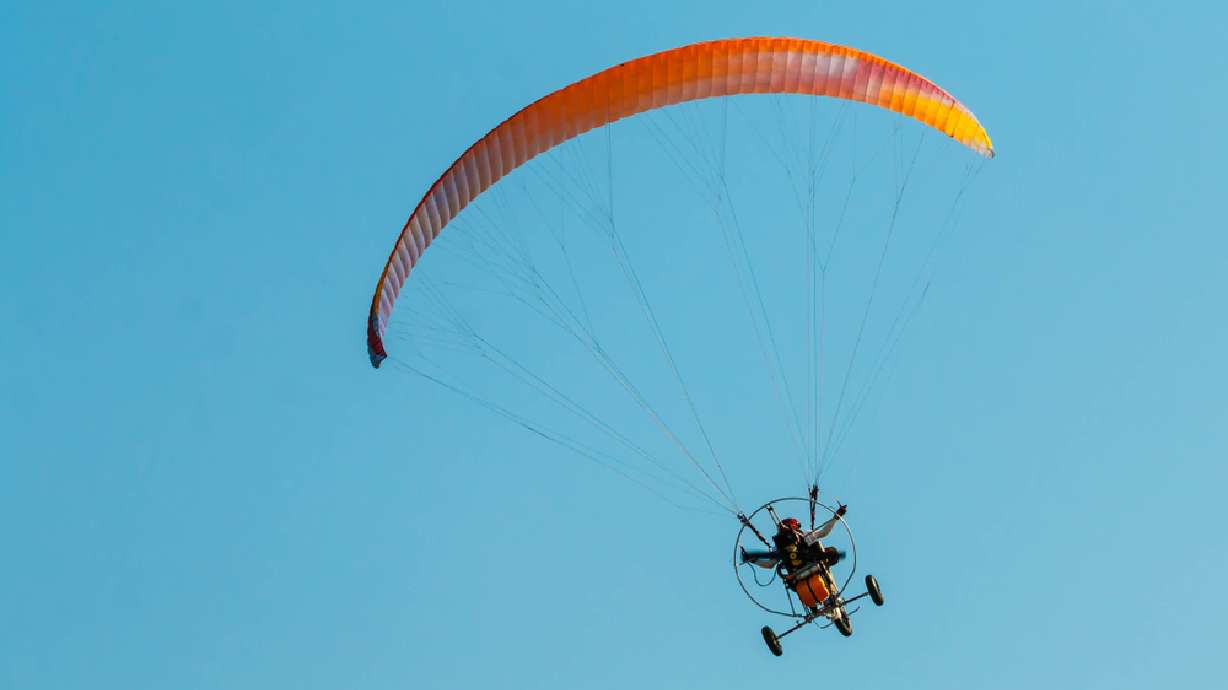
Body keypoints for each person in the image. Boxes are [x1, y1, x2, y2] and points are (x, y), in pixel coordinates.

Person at [741, 506, 847, 608]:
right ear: (795, 526)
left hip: (796, 575)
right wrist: (835, 518)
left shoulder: (778, 548)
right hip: (813, 566)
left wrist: (753, 560)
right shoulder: (805, 536)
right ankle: (831, 595)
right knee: (822, 549)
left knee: (793, 580)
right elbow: (824, 532)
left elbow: (769, 565)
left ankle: (812, 607)